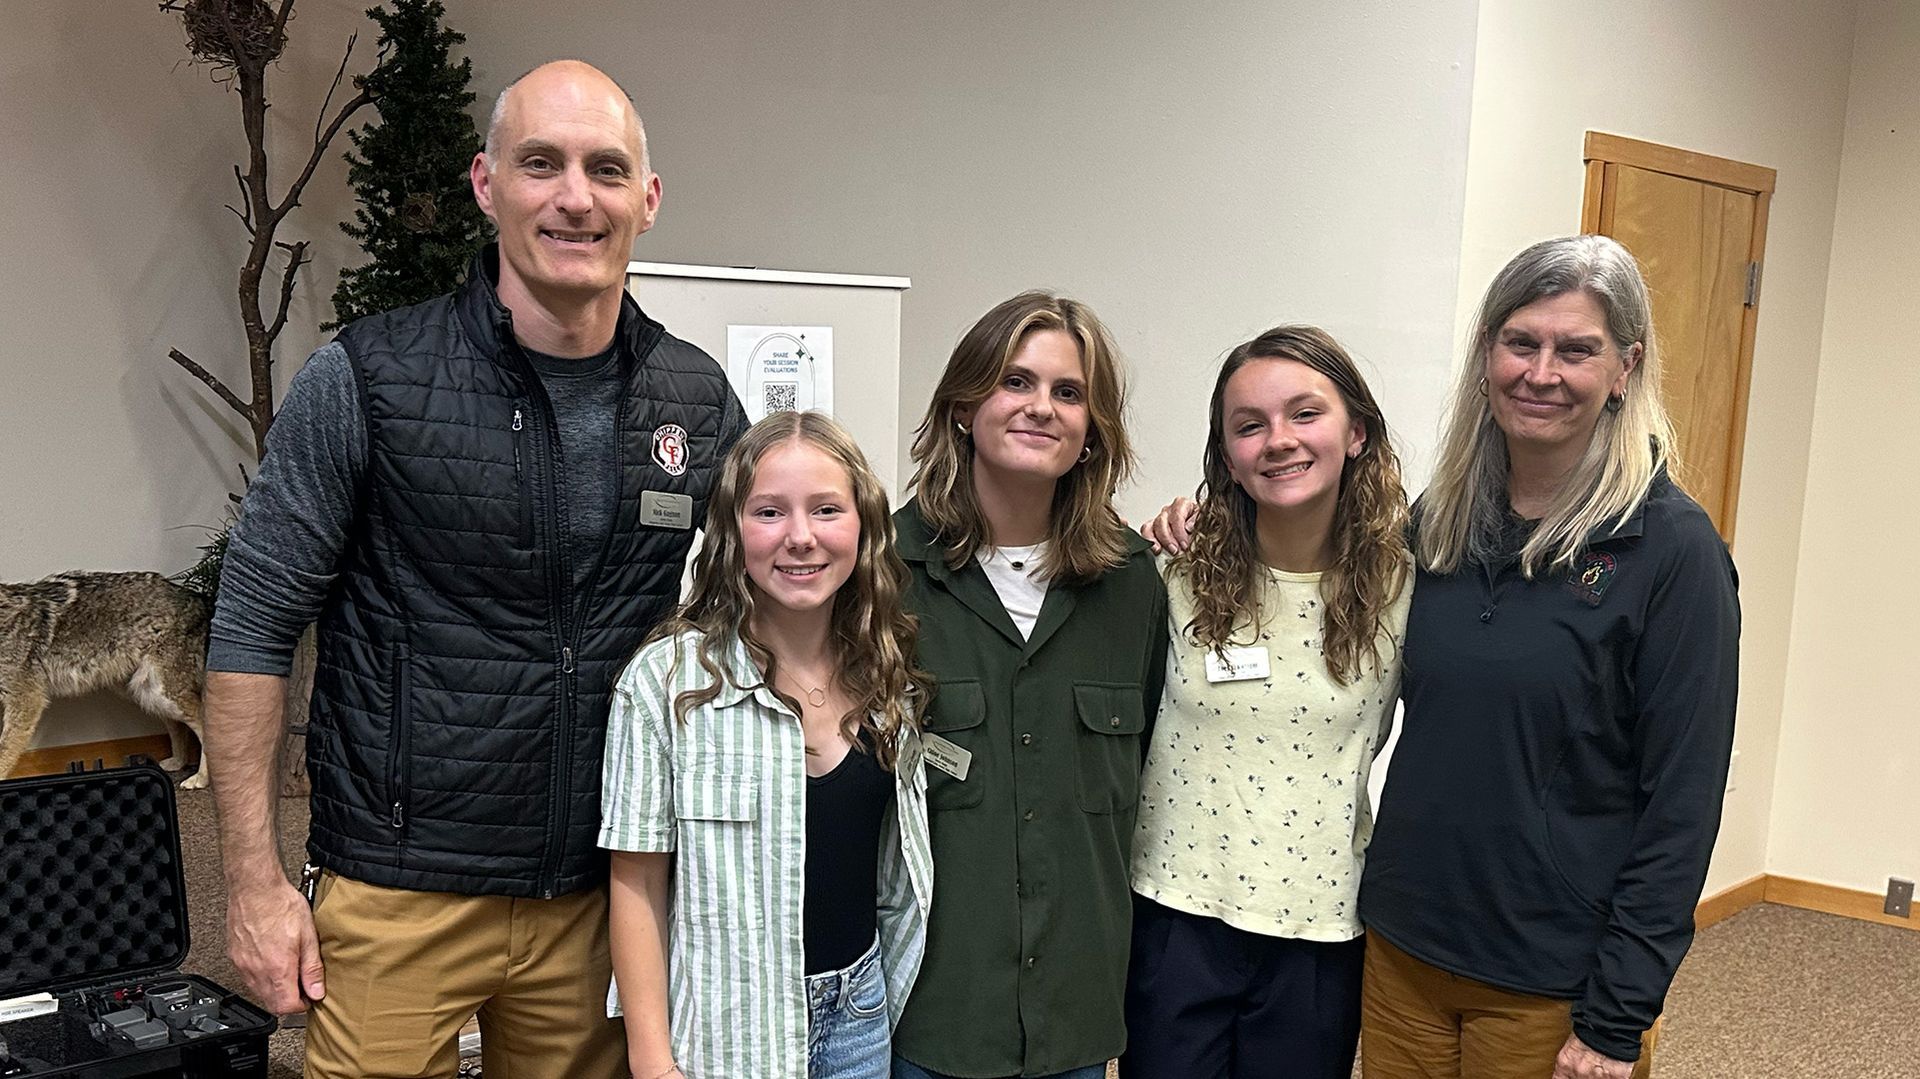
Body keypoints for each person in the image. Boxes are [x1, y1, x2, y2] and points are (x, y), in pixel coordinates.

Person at [202, 60, 748, 1078]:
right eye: (541, 163)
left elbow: (805, 572)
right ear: (487, 183)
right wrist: (251, 878)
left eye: (606, 168)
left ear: (650, 199)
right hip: (399, 889)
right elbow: (251, 624)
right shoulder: (368, 375)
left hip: (598, 892)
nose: (575, 196)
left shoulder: (696, 398)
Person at [1357, 236, 1739, 1079]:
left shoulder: (1673, 551)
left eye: (1577, 350)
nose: (1542, 372)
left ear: (1625, 368)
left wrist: (1616, 1018)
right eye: (1521, 342)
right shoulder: (1441, 521)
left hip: (1548, 978)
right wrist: (1200, 527)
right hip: (1403, 948)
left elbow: (1682, 804)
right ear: (1488, 351)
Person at [601, 411, 934, 1079]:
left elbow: (896, 879)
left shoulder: (886, 673)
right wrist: (652, 1059)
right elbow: (635, 884)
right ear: (731, 531)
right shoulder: (665, 683)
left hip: (860, 1020)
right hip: (728, 1033)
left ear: (863, 524)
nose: (801, 536)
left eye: (826, 509)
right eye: (770, 512)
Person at [888, 291, 1169, 1079]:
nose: (1040, 407)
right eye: (1016, 382)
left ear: (1091, 432)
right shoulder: (881, 571)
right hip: (934, 1011)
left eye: (1068, 392)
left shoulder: (1132, 583)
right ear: (964, 405)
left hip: (1073, 1015)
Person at [1122, 326, 1413, 1078]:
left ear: (1357, 433)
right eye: (1249, 425)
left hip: (1319, 926)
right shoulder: (1171, 573)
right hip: (1174, 914)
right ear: (1226, 457)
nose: (1278, 440)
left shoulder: (1407, 589)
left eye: (1304, 414)